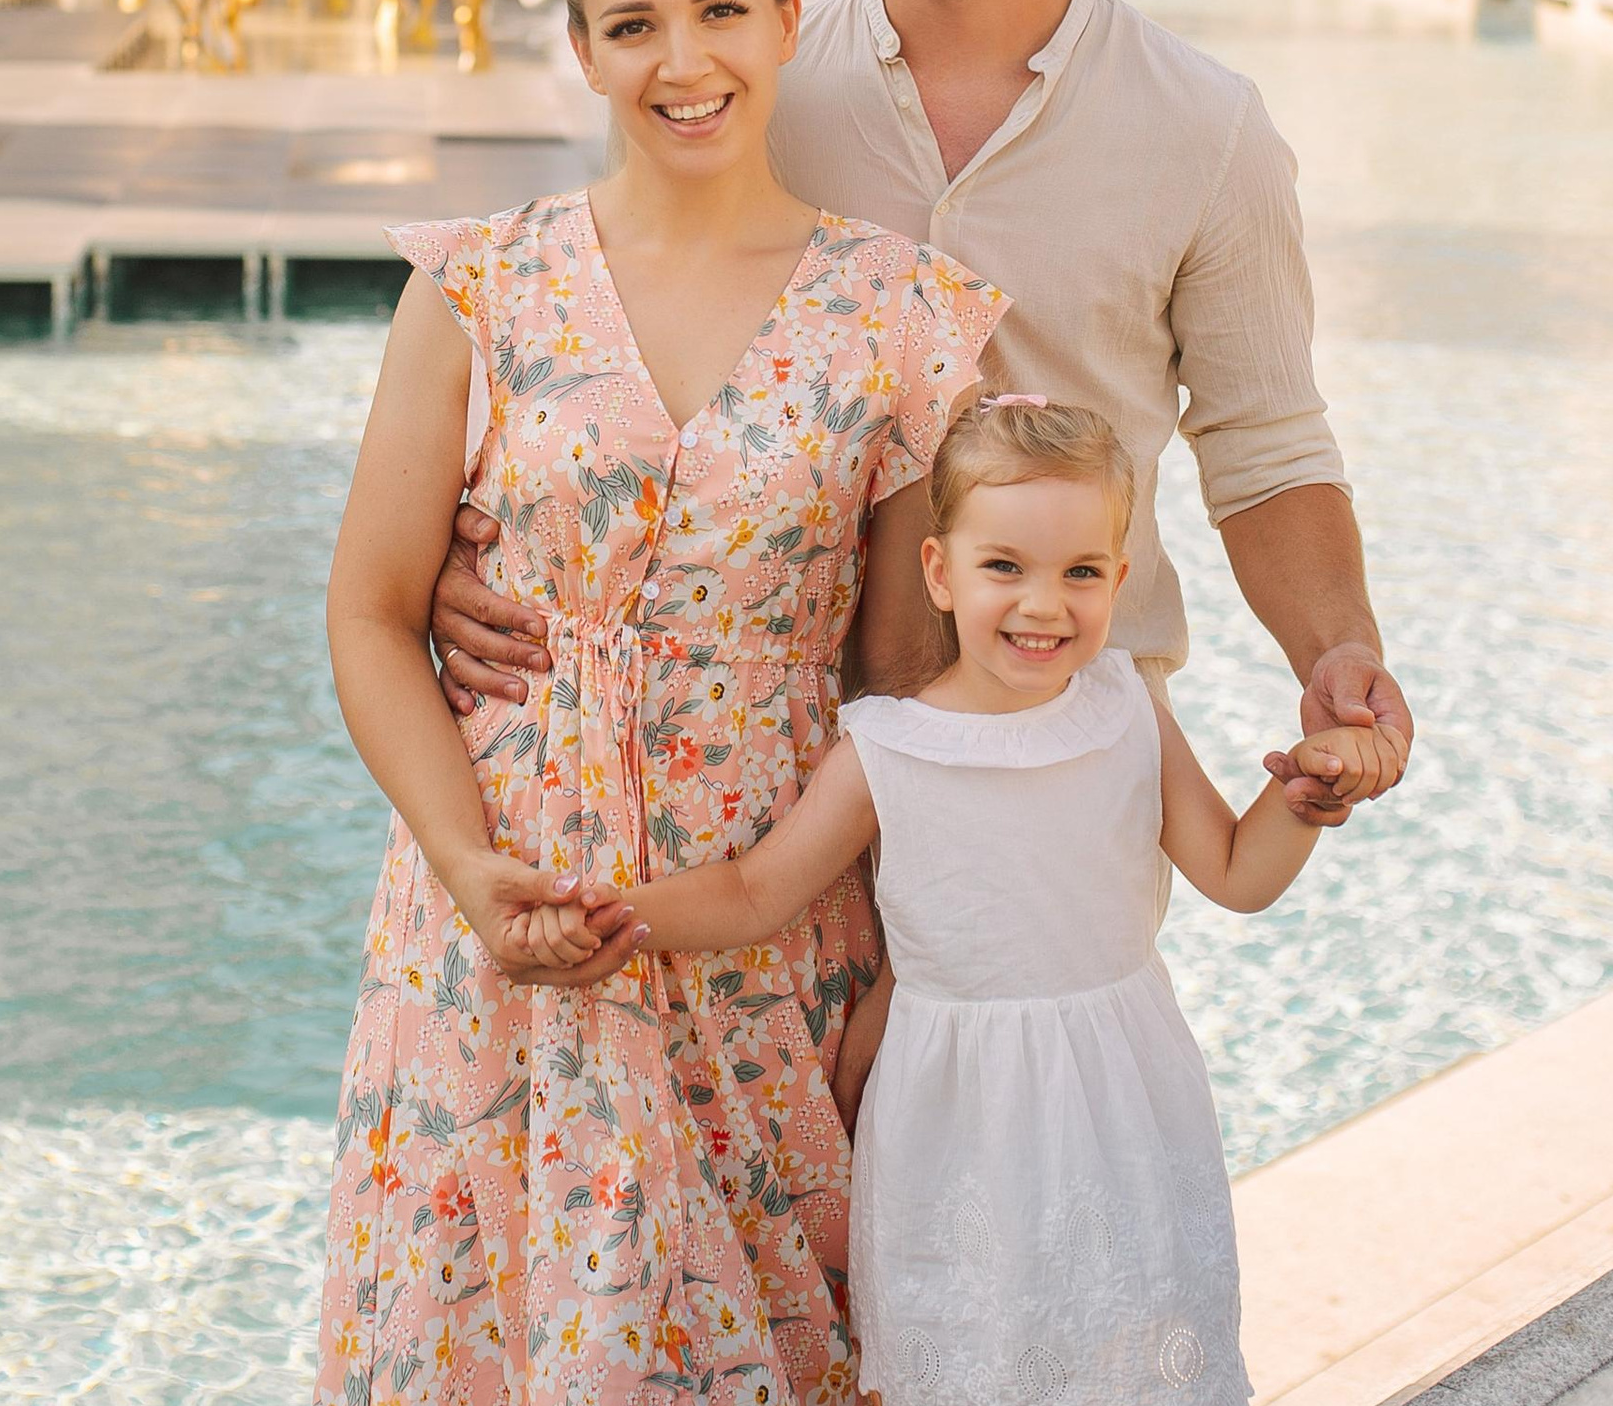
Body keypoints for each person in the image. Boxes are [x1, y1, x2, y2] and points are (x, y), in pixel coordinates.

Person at [433, 0, 1412, 1088]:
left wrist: (1337, 649)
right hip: (770, 760)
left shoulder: (1207, 129)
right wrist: (490, 552)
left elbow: (1265, 445)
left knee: (1005, 1186)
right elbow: (609, 334)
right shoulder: (749, 82)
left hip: (1049, 767)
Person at [320, 0, 1006, 1406]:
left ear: (785, 18)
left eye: (718, 12)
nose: (681, 63)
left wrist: (916, 963)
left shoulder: (904, 316)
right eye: (632, 27)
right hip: (495, 921)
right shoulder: (477, 291)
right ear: (580, 50)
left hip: (770, 928)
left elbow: (907, 677)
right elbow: (367, 615)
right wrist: (469, 870)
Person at [556, 396, 1400, 1406]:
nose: (1044, 604)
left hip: (1123, 1099)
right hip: (960, 1119)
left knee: (1129, 1337)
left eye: (1080, 572)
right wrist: (609, 916)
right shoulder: (889, 746)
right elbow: (753, 890)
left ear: (1117, 578)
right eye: (1005, 566)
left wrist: (1303, 792)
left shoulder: (1127, 709)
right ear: (939, 571)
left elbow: (1236, 871)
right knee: (976, 1354)